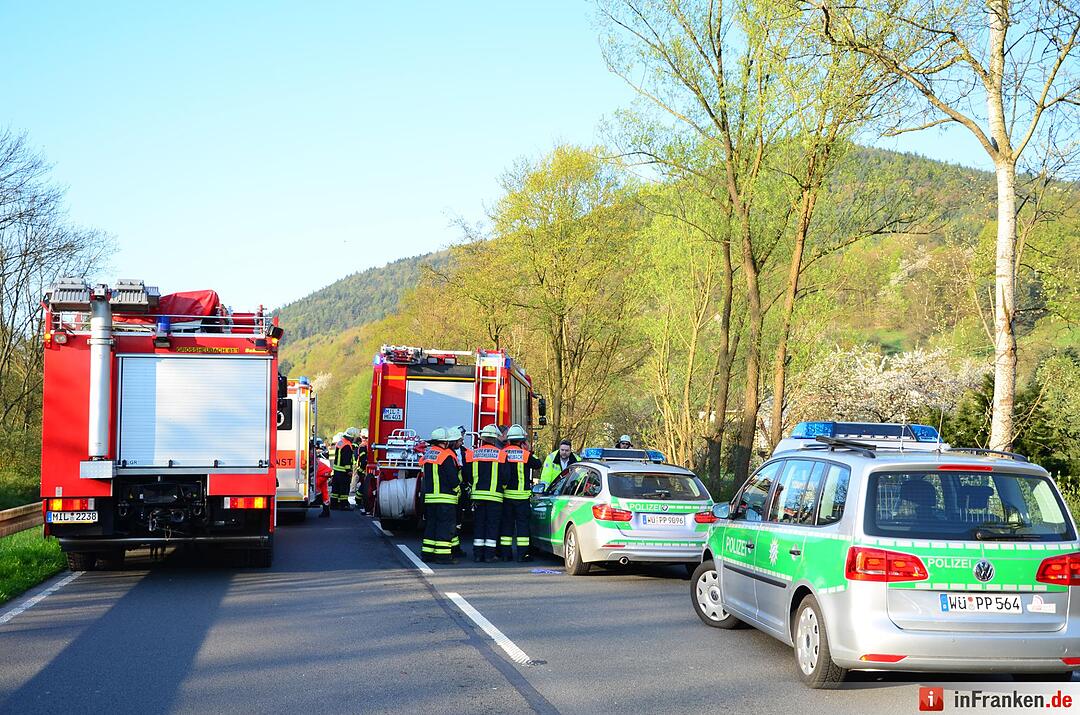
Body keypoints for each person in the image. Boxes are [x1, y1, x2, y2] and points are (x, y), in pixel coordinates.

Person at [498, 424, 543, 562]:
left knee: (507, 526)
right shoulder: (525, 454)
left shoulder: (502, 452)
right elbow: (537, 464)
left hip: (506, 497)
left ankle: (505, 555)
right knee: (522, 527)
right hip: (522, 498)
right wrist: (529, 450)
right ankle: (522, 555)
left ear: (509, 439)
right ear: (521, 441)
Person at [419, 427, 462, 564]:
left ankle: (427, 554)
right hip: (445, 498)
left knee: (431, 525)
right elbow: (452, 478)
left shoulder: (427, 455)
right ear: (444, 442)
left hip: (430, 498)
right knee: (445, 527)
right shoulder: (446, 456)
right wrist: (458, 490)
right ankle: (443, 557)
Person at [464, 424, 505, 562]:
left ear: (482, 439)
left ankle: (477, 555)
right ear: (494, 439)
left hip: (477, 497)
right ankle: (489, 555)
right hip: (495, 497)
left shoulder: (471, 454)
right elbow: (506, 476)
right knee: (492, 526)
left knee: (479, 525)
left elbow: (466, 475)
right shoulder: (502, 455)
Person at [330, 428, 359, 510]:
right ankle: (344, 505)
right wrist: (349, 471)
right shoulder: (347, 445)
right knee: (344, 489)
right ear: (351, 437)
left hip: (336, 470)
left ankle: (333, 505)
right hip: (343, 471)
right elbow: (346, 459)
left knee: (335, 489)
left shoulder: (340, 442)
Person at [350, 428, 370, 513]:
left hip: (363, 469)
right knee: (363, 485)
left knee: (363, 485)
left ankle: (358, 500)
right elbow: (363, 459)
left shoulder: (363, 446)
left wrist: (360, 470)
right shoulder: (365, 445)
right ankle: (358, 500)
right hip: (363, 469)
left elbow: (363, 459)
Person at [315, 453, 333, 517]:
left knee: (317, 487)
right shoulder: (317, 460)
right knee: (324, 492)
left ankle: (319, 499)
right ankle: (326, 511)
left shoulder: (315, 460)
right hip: (324, 473)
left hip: (322, 473)